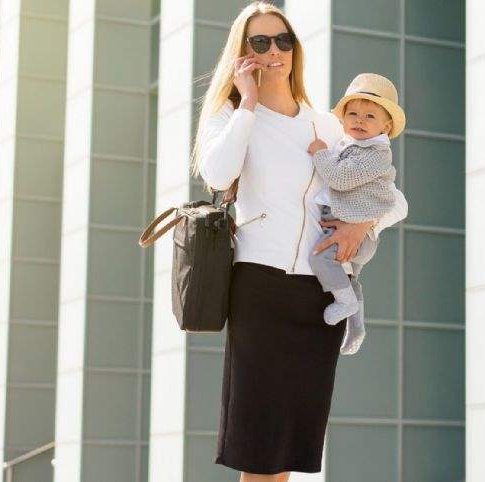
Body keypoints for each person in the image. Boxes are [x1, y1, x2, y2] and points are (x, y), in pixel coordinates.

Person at [190, 3, 407, 481]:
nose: (274, 51)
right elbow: (217, 173)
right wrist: (247, 102)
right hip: (259, 292)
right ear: (241, 53)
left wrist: (358, 228)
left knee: (289, 454)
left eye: (283, 40)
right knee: (258, 451)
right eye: (260, 42)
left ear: (295, 49)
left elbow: (393, 201)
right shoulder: (229, 116)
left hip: (315, 299)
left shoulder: (327, 126)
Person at [306, 72, 407, 356]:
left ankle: (346, 305)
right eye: (353, 114)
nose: (360, 120)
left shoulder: (376, 154)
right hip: (351, 232)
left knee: (320, 258)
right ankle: (357, 327)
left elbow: (340, 178)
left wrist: (320, 154)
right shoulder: (352, 145)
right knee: (350, 281)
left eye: (370, 116)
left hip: (357, 236)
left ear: (386, 127)